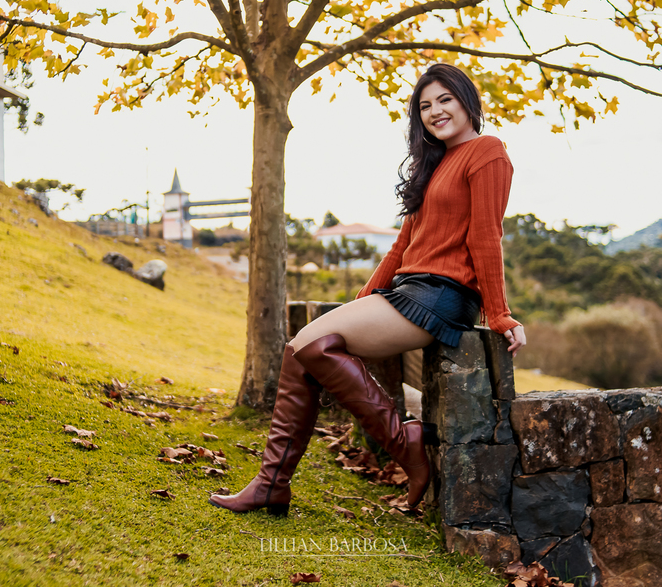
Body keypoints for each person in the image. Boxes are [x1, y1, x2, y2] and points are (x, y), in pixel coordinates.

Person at [210, 63, 526, 517]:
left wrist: (499, 314)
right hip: (408, 290)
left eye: (445, 100)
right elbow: (402, 245)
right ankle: (272, 485)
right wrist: (363, 302)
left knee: (308, 345)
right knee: (299, 349)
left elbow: (485, 238)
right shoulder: (435, 164)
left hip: (440, 296)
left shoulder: (488, 151)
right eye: (424, 106)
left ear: (466, 100)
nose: (435, 112)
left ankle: (402, 443)